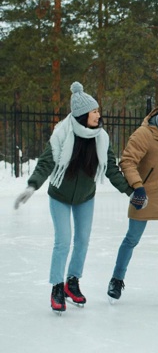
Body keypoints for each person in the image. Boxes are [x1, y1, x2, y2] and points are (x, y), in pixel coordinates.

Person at [14, 82, 134, 315]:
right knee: (63, 241)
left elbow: (110, 168)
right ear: (82, 116)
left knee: (82, 240)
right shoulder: (62, 133)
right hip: (59, 195)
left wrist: (130, 191)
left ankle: (72, 281)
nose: (99, 115)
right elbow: (46, 162)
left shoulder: (102, 138)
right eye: (94, 111)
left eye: (98, 110)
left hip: (85, 197)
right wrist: (32, 186)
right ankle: (57, 287)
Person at [107, 88, 158, 306]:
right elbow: (127, 161)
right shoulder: (145, 133)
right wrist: (138, 187)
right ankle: (117, 280)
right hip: (145, 194)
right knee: (132, 238)